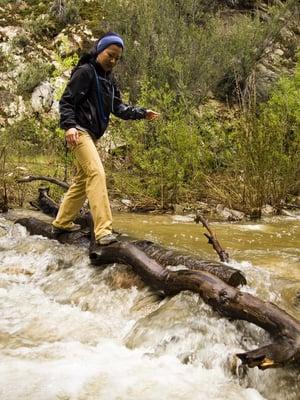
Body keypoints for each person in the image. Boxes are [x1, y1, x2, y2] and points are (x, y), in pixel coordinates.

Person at [52, 31, 159, 251]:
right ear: (100, 50)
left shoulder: (109, 81)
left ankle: (61, 223)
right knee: (96, 173)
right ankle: (103, 232)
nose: (113, 60)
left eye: (117, 58)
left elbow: (118, 108)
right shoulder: (85, 71)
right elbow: (66, 101)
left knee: (83, 179)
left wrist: (142, 113)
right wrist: (69, 126)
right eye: (110, 55)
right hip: (79, 131)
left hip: (92, 135)